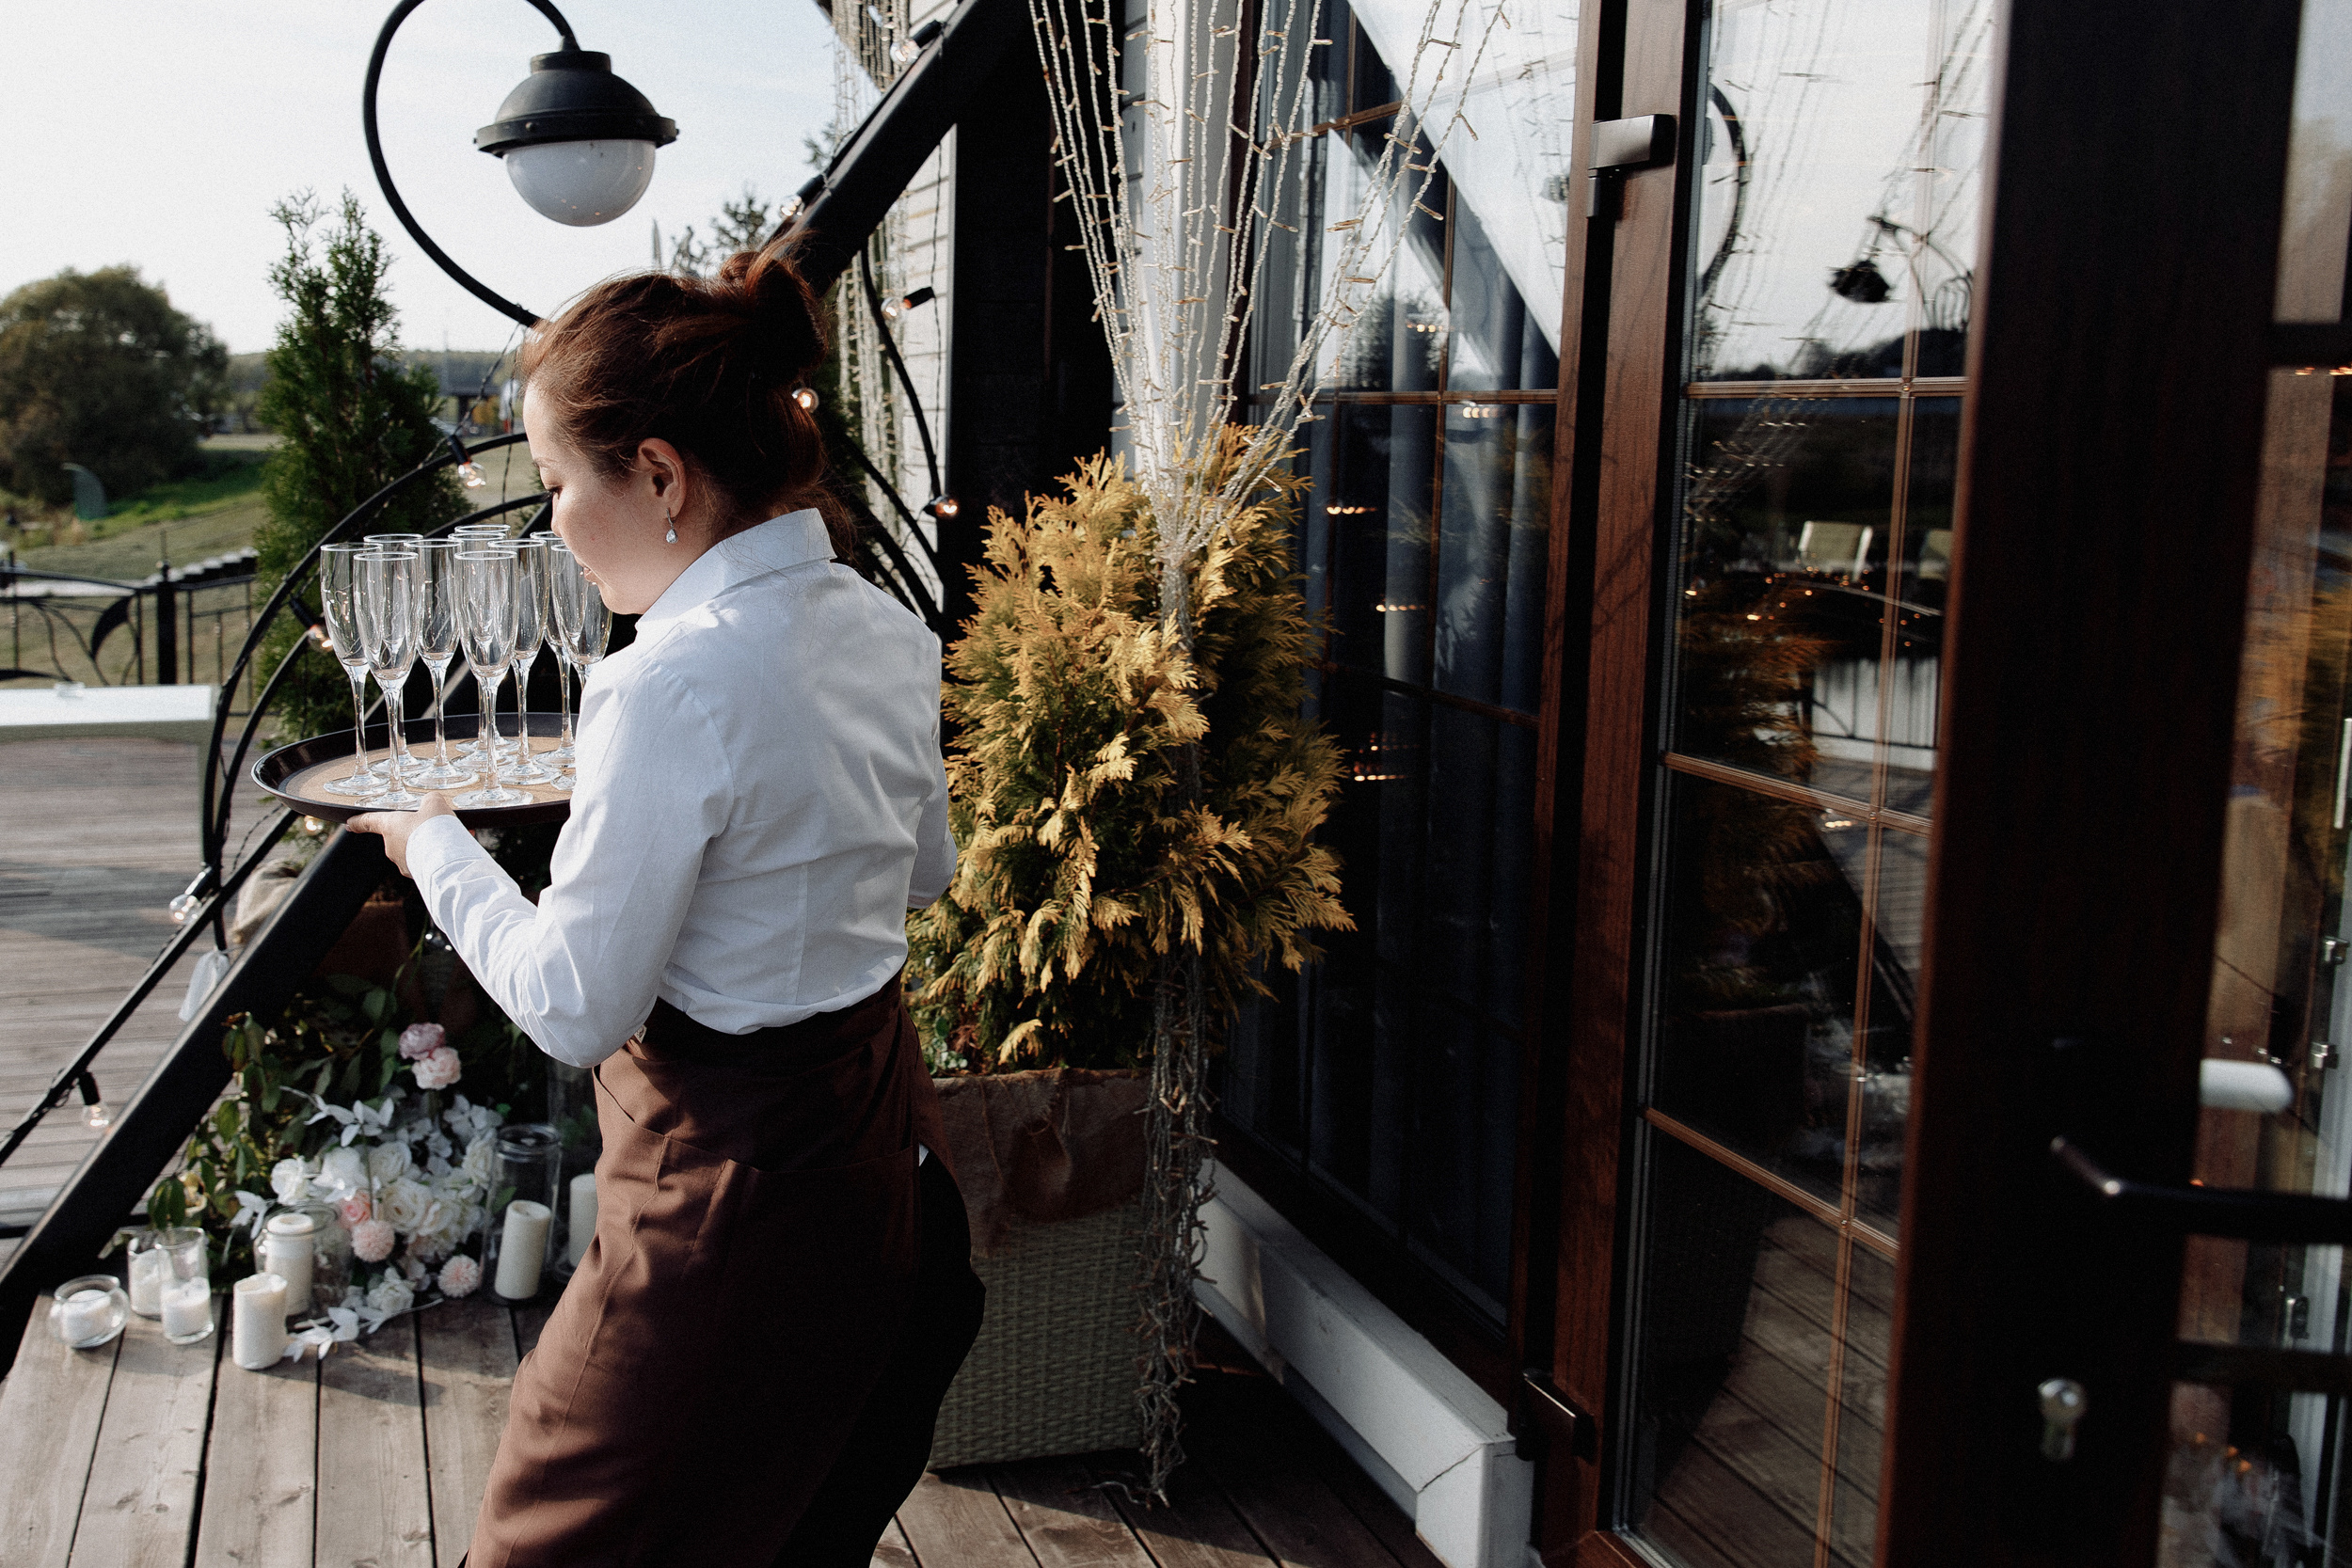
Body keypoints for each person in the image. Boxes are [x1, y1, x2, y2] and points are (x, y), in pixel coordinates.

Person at [351, 244, 984, 1568]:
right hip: (877, 1201)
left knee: (553, 1540)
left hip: (720, 1228)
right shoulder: (886, 629)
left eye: (556, 485)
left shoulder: (662, 685)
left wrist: (434, 848)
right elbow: (925, 873)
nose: (553, 527)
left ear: (656, 475)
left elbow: (577, 1008)